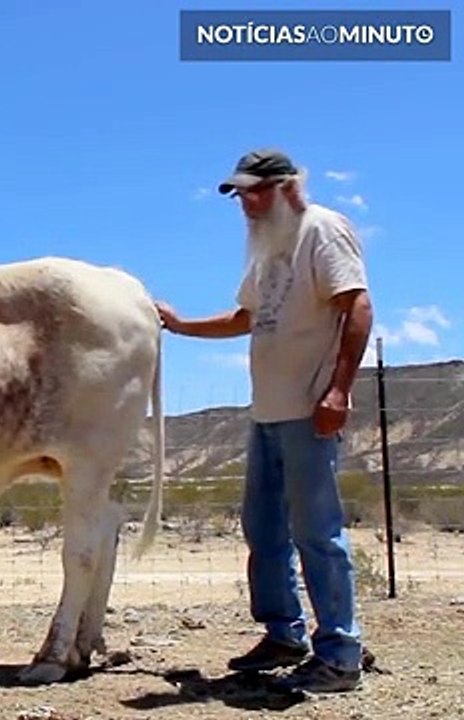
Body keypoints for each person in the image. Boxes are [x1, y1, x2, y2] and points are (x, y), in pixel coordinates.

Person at [155, 148, 373, 694]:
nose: (247, 204)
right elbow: (245, 319)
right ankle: (284, 635)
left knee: (317, 534)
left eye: (256, 191)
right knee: (266, 531)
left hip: (309, 409)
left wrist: (338, 390)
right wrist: (179, 325)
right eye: (240, 195)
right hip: (268, 412)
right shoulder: (267, 249)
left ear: (287, 187)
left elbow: (357, 305)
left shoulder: (322, 230)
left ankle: (341, 656)